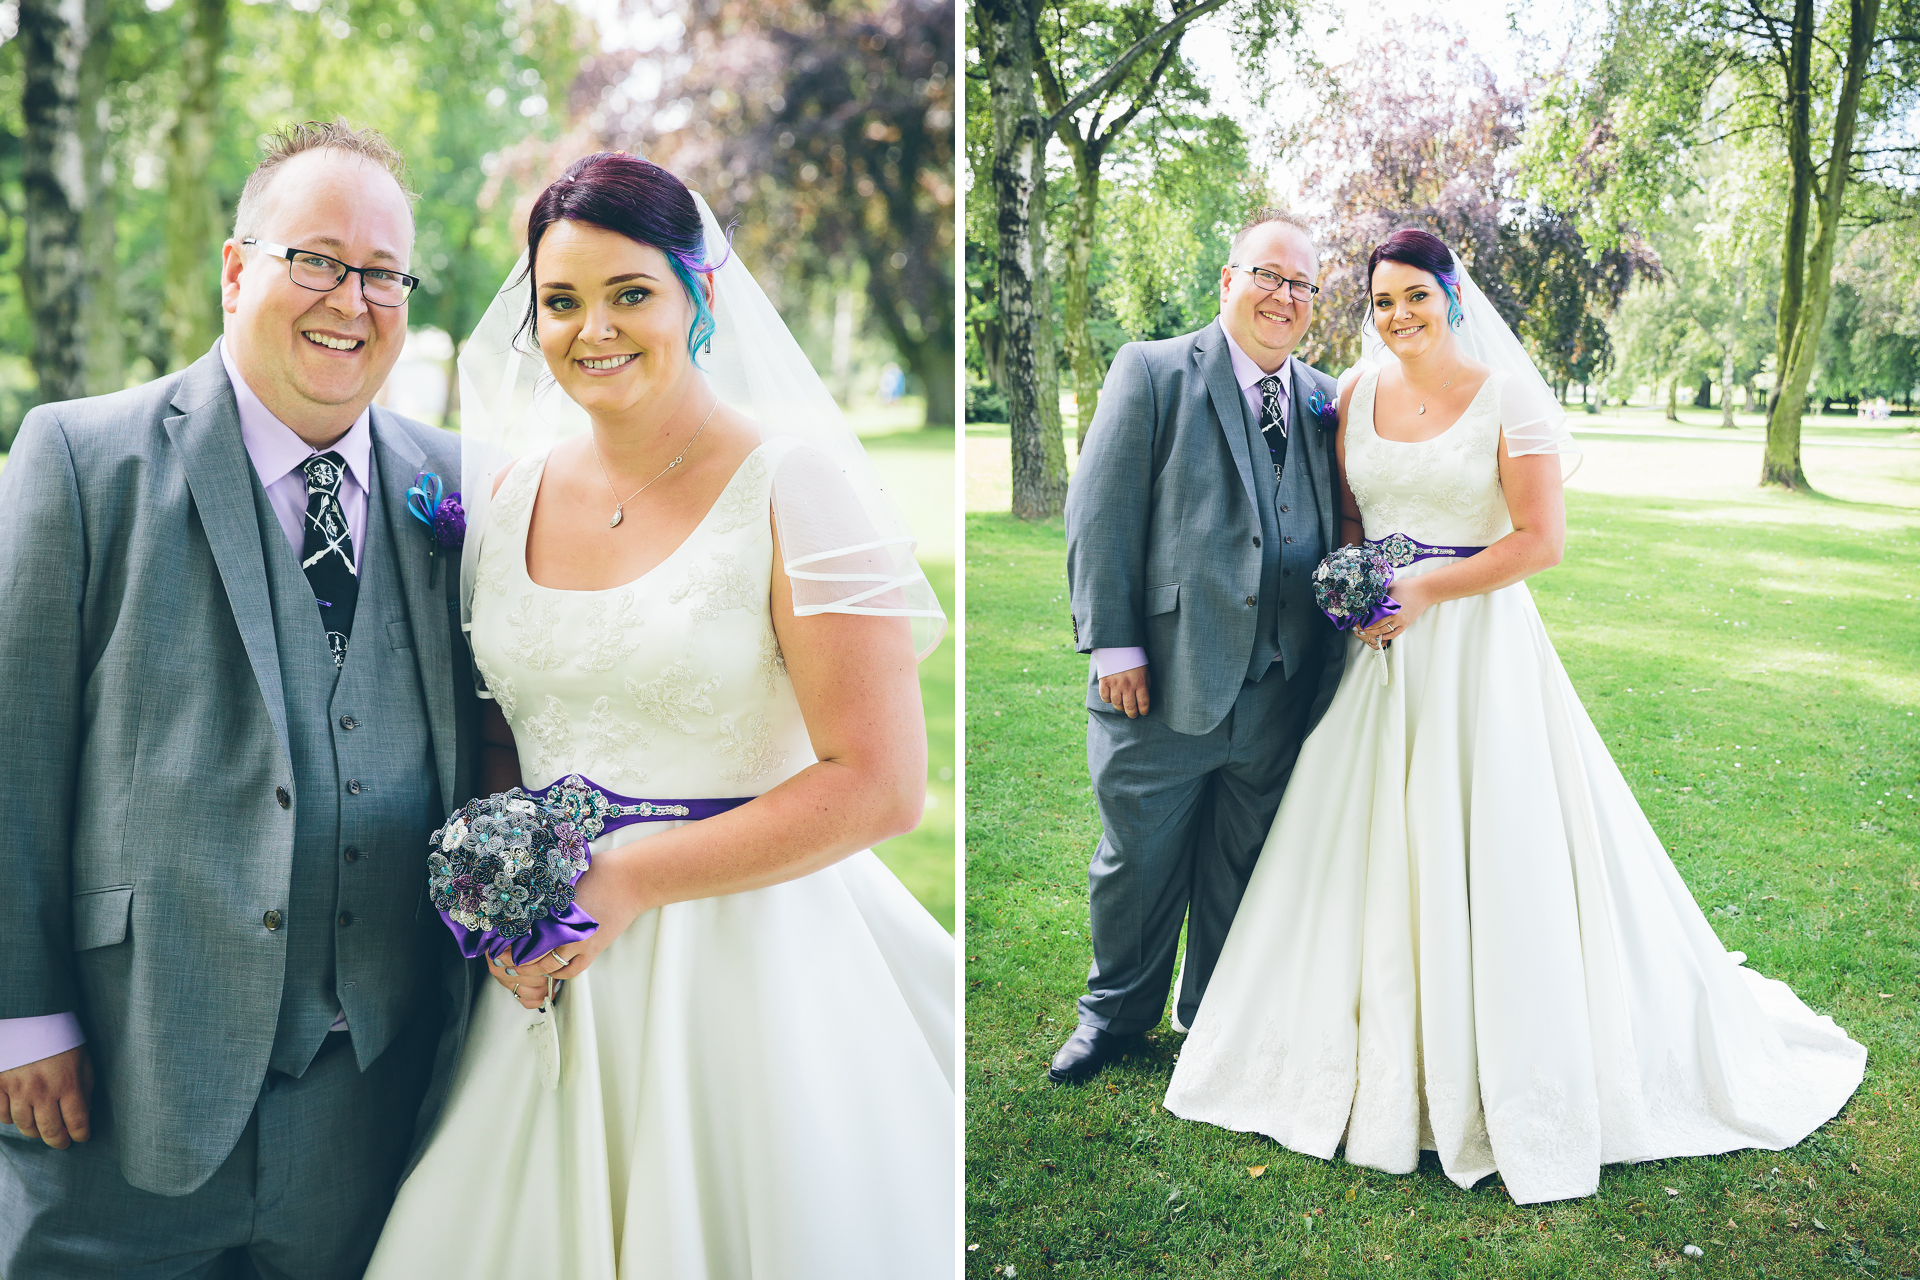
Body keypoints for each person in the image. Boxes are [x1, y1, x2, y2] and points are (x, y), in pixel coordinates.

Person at [1163, 228, 1866, 1205]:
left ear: (1452, 295)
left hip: (1480, 655)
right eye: (1382, 302)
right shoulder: (1356, 396)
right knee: (1367, 849)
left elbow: (1541, 540)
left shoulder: (1508, 397)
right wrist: (1361, 594)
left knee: (1496, 847)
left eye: (1416, 295)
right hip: (1384, 663)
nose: (1399, 315)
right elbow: (1358, 522)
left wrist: (1430, 590)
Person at [362, 152, 954, 1278]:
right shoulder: (506, 498)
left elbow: (880, 783)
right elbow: (502, 732)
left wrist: (632, 877)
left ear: (702, 297)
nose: (595, 329)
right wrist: (501, 888)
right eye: (562, 301)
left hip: (748, 966)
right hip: (546, 965)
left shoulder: (797, 487)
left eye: (630, 292)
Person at [0, 121, 478, 1276]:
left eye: (381, 274)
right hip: (120, 1075)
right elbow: (11, 751)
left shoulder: (452, 482)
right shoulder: (79, 459)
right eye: (315, 259)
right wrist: (22, 1013)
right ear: (235, 269)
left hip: (368, 1101)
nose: (350, 300)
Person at [1052, 210, 1347, 1085]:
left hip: (1281, 685)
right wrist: (1113, 646)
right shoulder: (1151, 370)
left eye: (1301, 285)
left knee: (1245, 861)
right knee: (1137, 860)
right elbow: (1098, 512)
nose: (1283, 296)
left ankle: (1217, 1016)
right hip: (1163, 677)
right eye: (1269, 274)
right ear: (1229, 279)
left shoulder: (1327, 397)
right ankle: (1114, 1017)